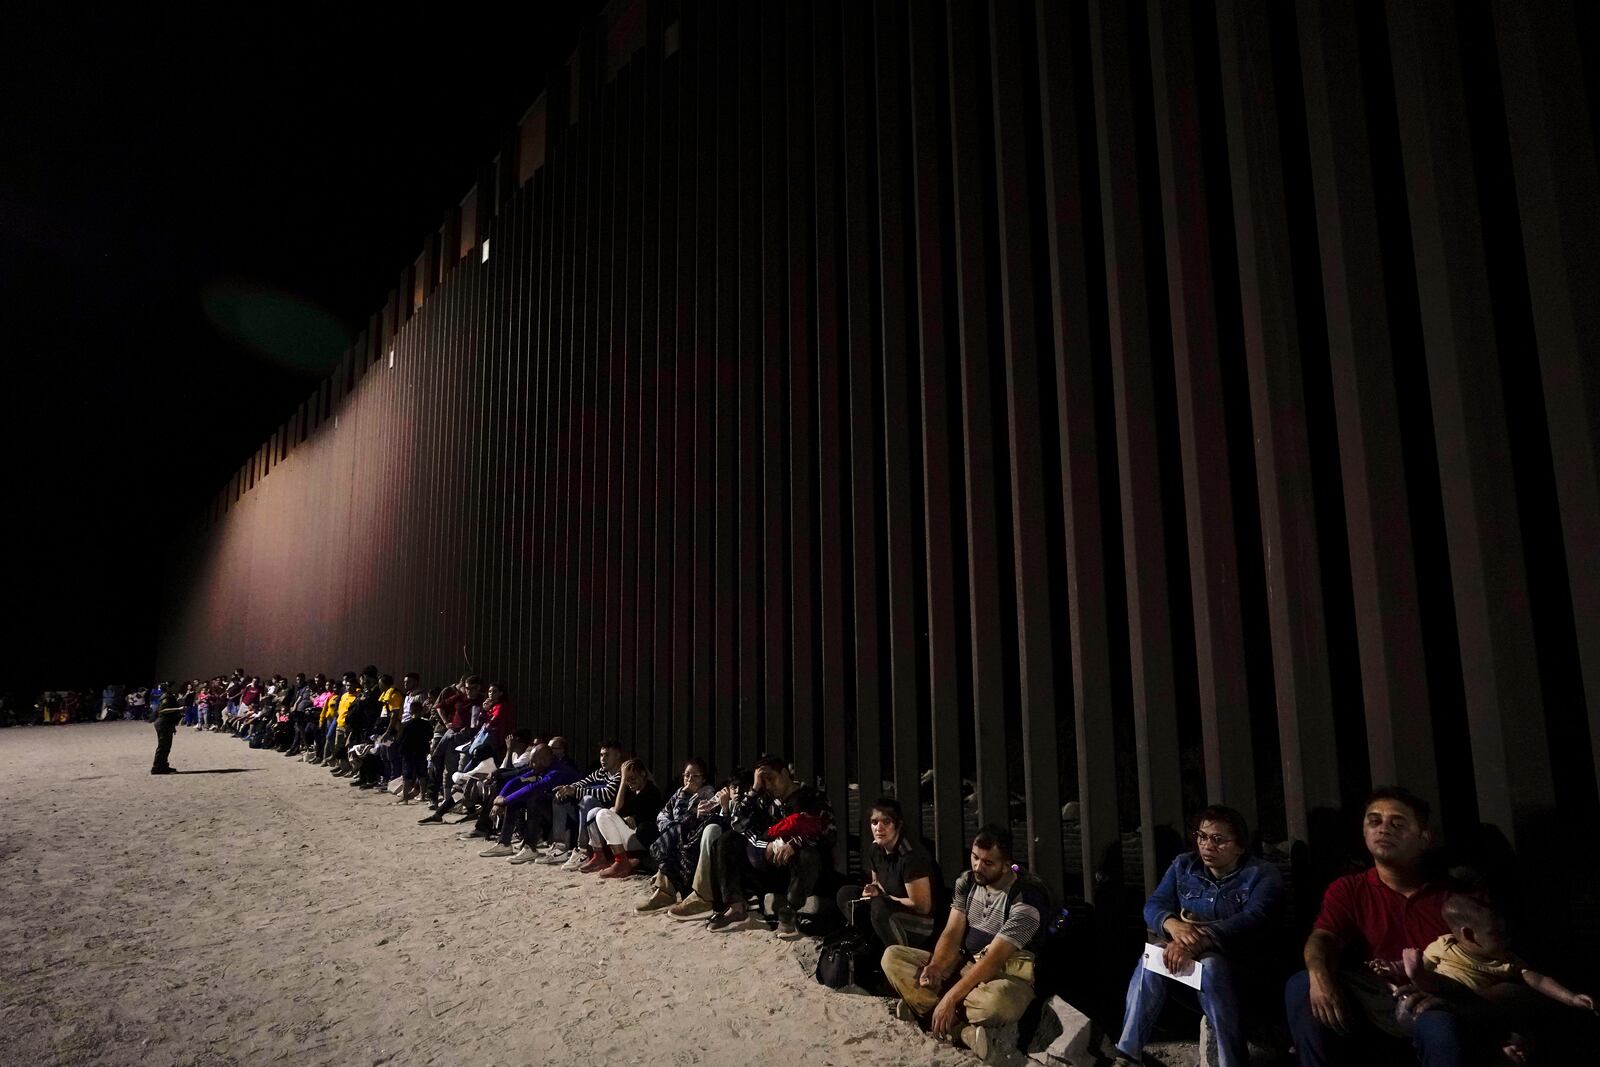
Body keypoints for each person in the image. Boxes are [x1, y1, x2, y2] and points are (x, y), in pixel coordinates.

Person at [1285, 787, 1474, 1067]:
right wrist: (1319, 978)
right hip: (1373, 997)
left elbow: (1501, 969)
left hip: (1431, 998)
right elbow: (1322, 938)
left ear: (1424, 838)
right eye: (1374, 821)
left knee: (1438, 1024)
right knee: (1301, 985)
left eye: (1398, 824)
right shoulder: (1350, 888)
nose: (1384, 829)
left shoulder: (1456, 899)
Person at [1114, 806, 1283, 1067]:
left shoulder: (1261, 874)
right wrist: (1173, 926)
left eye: (1218, 840)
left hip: (1241, 969)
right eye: (1202, 837)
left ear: (1239, 846)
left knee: (1212, 966)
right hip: (1187, 963)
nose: (1207, 846)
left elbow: (1253, 919)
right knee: (1151, 958)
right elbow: (1154, 905)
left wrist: (1198, 940)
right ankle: (1127, 1055)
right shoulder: (1184, 866)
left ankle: (1232, 1061)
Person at [883, 825, 1044, 1065]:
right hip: (964, 964)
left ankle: (927, 1011)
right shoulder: (967, 881)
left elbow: (994, 961)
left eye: (988, 863)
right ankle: (962, 1031)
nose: (978, 866)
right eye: (975, 857)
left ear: (1006, 863)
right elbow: (952, 932)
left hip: (1004, 976)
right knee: (893, 957)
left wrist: (949, 998)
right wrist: (936, 966)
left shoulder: (1026, 900)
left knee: (995, 1003)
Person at [1372, 894, 1597, 1064]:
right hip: (1436, 996)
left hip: (1479, 1011)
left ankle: (1508, 1047)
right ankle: (1417, 978)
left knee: (1517, 1031)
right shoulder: (1444, 946)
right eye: (1497, 933)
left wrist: (1571, 998)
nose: (1507, 939)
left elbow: (1539, 981)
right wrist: (1393, 967)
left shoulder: (1507, 961)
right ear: (1469, 935)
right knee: (1427, 989)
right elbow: (1423, 962)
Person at [699, 754, 835, 938]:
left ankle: (789, 913)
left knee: (808, 853)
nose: (768, 785)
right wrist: (754, 790)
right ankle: (736, 907)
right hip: (770, 866)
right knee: (727, 840)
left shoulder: (811, 797)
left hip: (802, 871)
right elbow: (738, 824)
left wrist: (795, 843)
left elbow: (828, 834)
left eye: (771, 778)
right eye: (763, 781)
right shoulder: (764, 799)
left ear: (785, 773)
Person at [835, 797, 940, 947]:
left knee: (879, 907)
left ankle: (893, 955)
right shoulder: (876, 849)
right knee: (846, 894)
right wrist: (872, 889)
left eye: (886, 822)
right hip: (887, 905)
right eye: (874, 822)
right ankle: (868, 945)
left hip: (920, 922)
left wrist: (884, 897)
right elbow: (876, 882)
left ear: (898, 825)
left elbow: (922, 906)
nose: (879, 828)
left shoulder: (910, 857)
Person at [636, 758, 717, 912]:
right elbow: (662, 815)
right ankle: (665, 888)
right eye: (687, 775)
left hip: (692, 839)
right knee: (649, 830)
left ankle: (665, 890)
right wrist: (671, 828)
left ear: (704, 778)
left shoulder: (707, 795)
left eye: (695, 776)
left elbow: (684, 820)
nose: (690, 780)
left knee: (676, 833)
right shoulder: (680, 792)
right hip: (672, 835)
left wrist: (685, 798)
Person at [539, 739, 626, 863]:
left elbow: (607, 794)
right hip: (591, 818)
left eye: (607, 755)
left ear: (617, 755)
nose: (603, 759)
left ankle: (583, 849)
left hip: (611, 820)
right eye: (601, 755)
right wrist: (568, 788)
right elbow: (584, 782)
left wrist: (575, 791)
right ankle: (561, 847)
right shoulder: (602, 772)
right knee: (560, 797)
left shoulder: (621, 774)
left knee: (587, 800)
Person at [582, 758, 664, 877]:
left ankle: (622, 862)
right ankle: (599, 857)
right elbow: (616, 809)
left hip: (641, 837)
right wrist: (623, 782)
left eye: (633, 778)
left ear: (643, 774)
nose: (630, 782)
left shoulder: (651, 791)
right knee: (594, 812)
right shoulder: (628, 792)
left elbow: (620, 810)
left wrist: (633, 818)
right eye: (627, 779)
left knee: (603, 814)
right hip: (627, 835)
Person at [151, 682, 189, 774]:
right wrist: (179, 709)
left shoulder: (169, 696)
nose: (174, 687)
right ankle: (157, 768)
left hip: (167, 723)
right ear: (167, 688)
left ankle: (163, 766)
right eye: (172, 686)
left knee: (166, 746)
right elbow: (163, 710)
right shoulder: (166, 697)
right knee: (163, 746)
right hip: (163, 722)